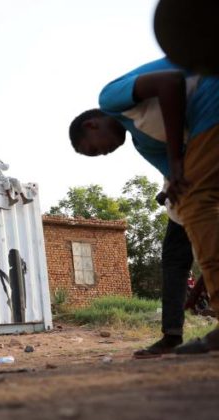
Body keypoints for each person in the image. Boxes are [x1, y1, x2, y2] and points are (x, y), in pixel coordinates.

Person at [69, 57, 219, 354]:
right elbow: (182, 179)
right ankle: (173, 331)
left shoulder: (110, 98)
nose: (105, 154)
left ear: (92, 123)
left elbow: (171, 82)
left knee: (198, 207)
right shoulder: (144, 144)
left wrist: (176, 161)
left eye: (95, 149)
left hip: (213, 107)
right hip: (207, 133)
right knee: (189, 215)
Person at [134, 184, 194, 358]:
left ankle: (172, 335)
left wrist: (171, 187)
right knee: (174, 263)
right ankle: (172, 335)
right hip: (180, 208)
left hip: (204, 197)